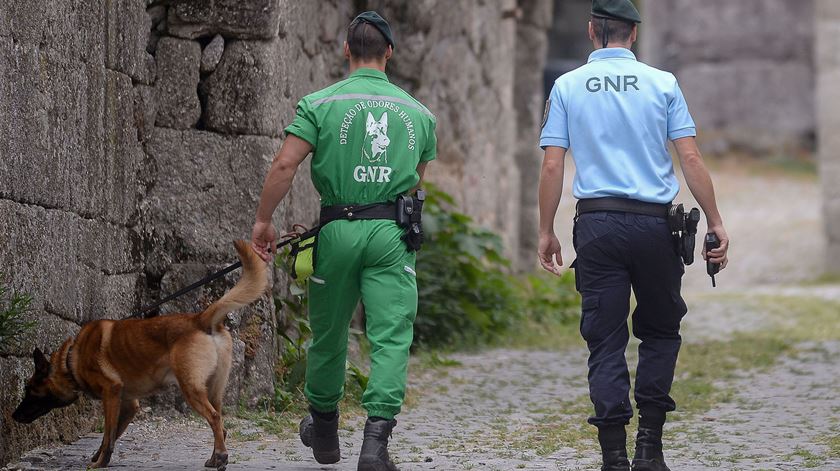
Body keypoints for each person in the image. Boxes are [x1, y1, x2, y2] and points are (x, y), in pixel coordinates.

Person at [537, 1, 730, 470]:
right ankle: (650, 447)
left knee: (604, 338)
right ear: (634, 35)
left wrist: (546, 230)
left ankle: (613, 455)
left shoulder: (566, 86)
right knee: (661, 330)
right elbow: (691, 159)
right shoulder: (663, 83)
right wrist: (716, 220)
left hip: (597, 224)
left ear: (591, 32)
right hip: (654, 225)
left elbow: (552, 163)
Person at [250, 11, 436, 471]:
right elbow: (415, 184)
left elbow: (284, 166)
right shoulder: (419, 114)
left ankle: (326, 433)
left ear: (346, 50)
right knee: (391, 335)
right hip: (392, 233)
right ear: (389, 53)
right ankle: (375, 446)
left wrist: (263, 221)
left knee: (329, 334)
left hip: (336, 230)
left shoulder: (320, 103)